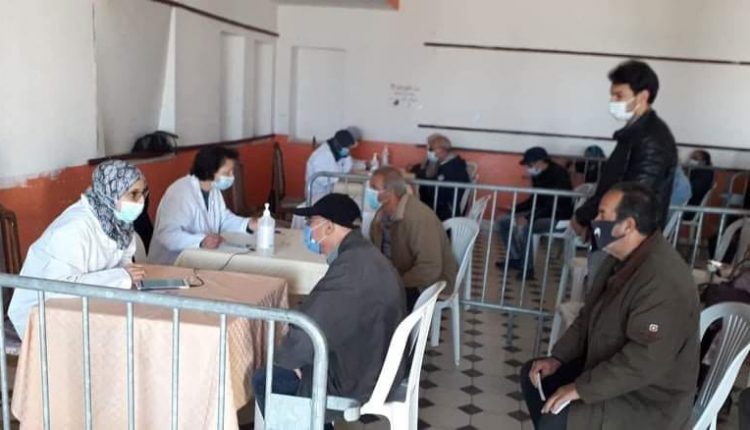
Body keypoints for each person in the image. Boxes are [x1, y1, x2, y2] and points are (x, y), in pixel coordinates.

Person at [520, 182, 699, 430]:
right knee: (535, 376)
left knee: (557, 419)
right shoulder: (618, 259)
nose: (595, 221)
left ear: (628, 225)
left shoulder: (663, 279)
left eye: (603, 215)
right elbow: (587, 316)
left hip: (646, 399)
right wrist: (558, 358)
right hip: (607, 368)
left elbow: (645, 358)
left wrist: (580, 389)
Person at [252, 194, 405, 429]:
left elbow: (309, 330)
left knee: (268, 379)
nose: (310, 233)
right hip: (373, 360)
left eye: (311, 223)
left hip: (359, 377)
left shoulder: (350, 270)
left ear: (330, 227)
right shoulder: (363, 254)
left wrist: (290, 361)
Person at [8, 161, 148, 338]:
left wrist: (126, 273)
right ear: (111, 192)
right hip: (42, 313)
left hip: (85, 305)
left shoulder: (119, 223)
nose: (141, 201)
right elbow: (61, 287)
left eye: (143, 193)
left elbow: (123, 258)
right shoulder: (75, 228)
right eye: (133, 194)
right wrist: (121, 277)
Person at [571, 60, 678, 239]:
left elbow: (633, 196)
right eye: (612, 95)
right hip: (614, 228)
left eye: (619, 95)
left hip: (627, 235)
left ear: (642, 96)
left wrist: (583, 216)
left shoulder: (652, 140)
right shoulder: (634, 134)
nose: (613, 101)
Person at [368, 166, 457, 311]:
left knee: (379, 304)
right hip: (398, 274)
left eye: (374, 188)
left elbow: (430, 268)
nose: (369, 192)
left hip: (427, 284)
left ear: (390, 192)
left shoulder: (419, 218)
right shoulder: (381, 215)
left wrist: (397, 281)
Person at [148, 146, 256, 264]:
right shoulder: (180, 192)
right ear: (210, 171)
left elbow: (223, 219)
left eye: (232, 172)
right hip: (171, 263)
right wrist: (200, 241)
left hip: (201, 258)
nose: (232, 176)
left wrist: (248, 224)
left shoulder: (213, 189)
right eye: (226, 173)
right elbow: (167, 235)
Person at [497, 147, 573, 279]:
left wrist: (528, 218)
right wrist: (514, 208)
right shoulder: (538, 175)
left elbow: (552, 205)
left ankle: (527, 268)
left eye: (530, 164)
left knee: (527, 227)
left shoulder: (559, 175)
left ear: (540, 161)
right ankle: (516, 258)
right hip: (541, 214)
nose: (528, 168)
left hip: (558, 217)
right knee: (502, 221)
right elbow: (535, 199)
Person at [411, 133, 471, 220]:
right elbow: (422, 170)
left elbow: (437, 191)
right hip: (431, 206)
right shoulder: (439, 163)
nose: (429, 152)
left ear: (442, 149)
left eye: (431, 149)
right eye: (428, 148)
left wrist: (429, 169)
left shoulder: (454, 168)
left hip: (445, 212)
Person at [304, 128, 360, 203]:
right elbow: (331, 180)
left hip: (329, 192)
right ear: (339, 146)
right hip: (317, 195)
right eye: (347, 148)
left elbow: (346, 169)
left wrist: (347, 155)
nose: (348, 150)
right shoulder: (323, 155)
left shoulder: (337, 152)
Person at [685, 149, 715, 220]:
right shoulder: (701, 172)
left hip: (690, 209)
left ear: (703, 162)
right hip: (691, 206)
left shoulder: (703, 176)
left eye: (695, 159)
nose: (691, 161)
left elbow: (691, 191)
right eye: (691, 158)